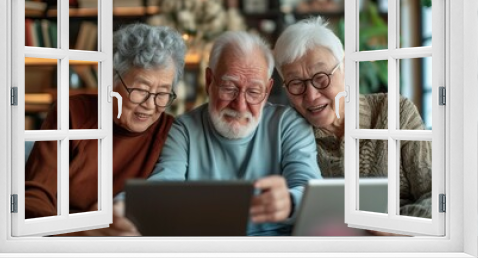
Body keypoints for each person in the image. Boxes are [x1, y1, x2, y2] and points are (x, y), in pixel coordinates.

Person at [147, 31, 322, 236]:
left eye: (254, 92)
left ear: (267, 90)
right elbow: (162, 188)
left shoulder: (288, 124)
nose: (240, 105)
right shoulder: (184, 129)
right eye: (229, 88)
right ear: (209, 80)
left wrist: (290, 201)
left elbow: (308, 187)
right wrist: (124, 208)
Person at [24, 23, 187, 236]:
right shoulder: (74, 114)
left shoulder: (171, 132)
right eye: (140, 90)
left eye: (163, 93)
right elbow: (34, 199)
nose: (150, 104)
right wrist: (86, 235)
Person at [273, 16, 432, 221]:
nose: (311, 95)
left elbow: (436, 196)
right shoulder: (289, 134)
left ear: (345, 68)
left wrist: (396, 230)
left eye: (321, 77)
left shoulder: (395, 111)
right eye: (296, 83)